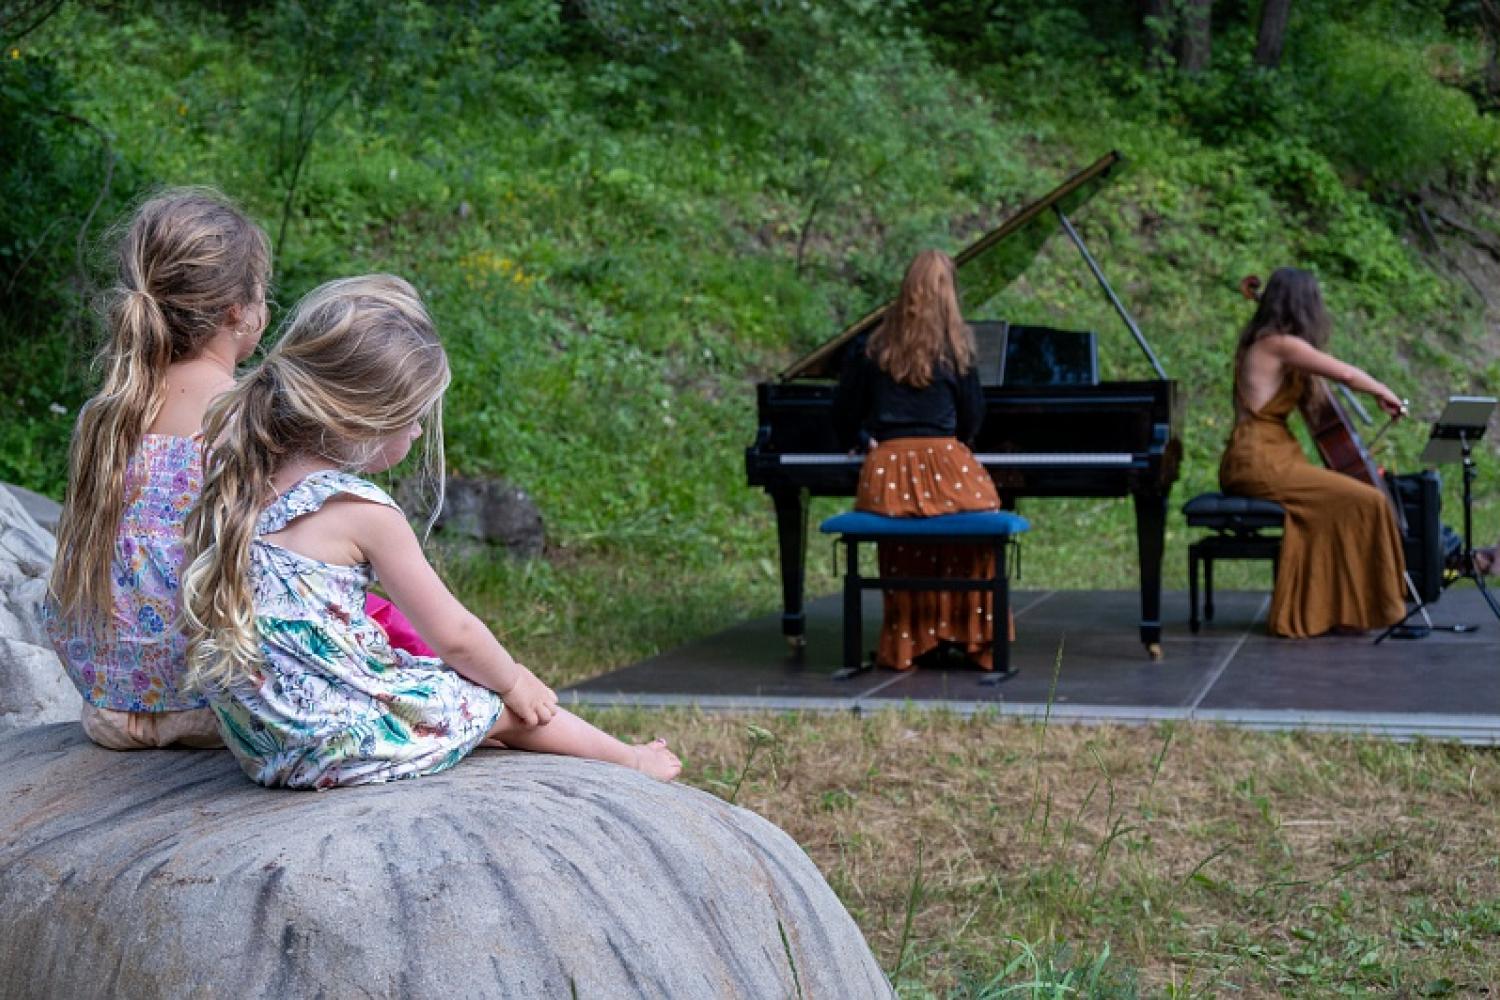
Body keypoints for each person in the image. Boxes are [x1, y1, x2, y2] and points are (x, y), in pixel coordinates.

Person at [180, 274, 681, 788]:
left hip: (263, 742)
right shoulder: (362, 509)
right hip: (331, 741)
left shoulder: (242, 475)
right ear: (364, 420)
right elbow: (456, 636)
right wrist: (516, 682)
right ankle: (629, 761)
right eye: (412, 419)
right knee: (488, 704)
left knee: (418, 683)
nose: (418, 432)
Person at [45, 188, 271, 750]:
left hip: (110, 692)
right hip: (206, 687)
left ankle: (142, 719)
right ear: (237, 312)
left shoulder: (108, 412)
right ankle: (192, 719)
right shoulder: (246, 414)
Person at [832, 249, 1001, 671]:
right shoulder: (956, 350)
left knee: (903, 542)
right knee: (982, 529)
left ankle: (910, 639)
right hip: (946, 463)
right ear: (950, 295)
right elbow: (973, 418)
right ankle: (970, 636)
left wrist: (866, 441)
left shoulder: (873, 348)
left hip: (886, 470)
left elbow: (841, 413)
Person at [1219, 267, 1408, 637]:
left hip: (1270, 454)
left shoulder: (1268, 343)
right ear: (1304, 305)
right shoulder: (1278, 344)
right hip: (1259, 459)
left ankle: (1338, 607)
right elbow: (1348, 376)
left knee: (1344, 504)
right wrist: (1383, 390)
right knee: (1367, 501)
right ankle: (1364, 606)